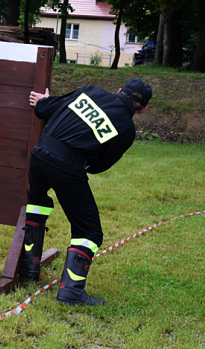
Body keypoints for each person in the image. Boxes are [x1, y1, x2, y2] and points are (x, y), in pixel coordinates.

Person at [19, 79, 153, 306]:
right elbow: (100, 166)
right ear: (142, 109)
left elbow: (45, 109)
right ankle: (71, 293)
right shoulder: (127, 129)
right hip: (68, 167)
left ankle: (29, 267)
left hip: (39, 154)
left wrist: (45, 101)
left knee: (37, 202)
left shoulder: (90, 91)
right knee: (89, 231)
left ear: (119, 90)